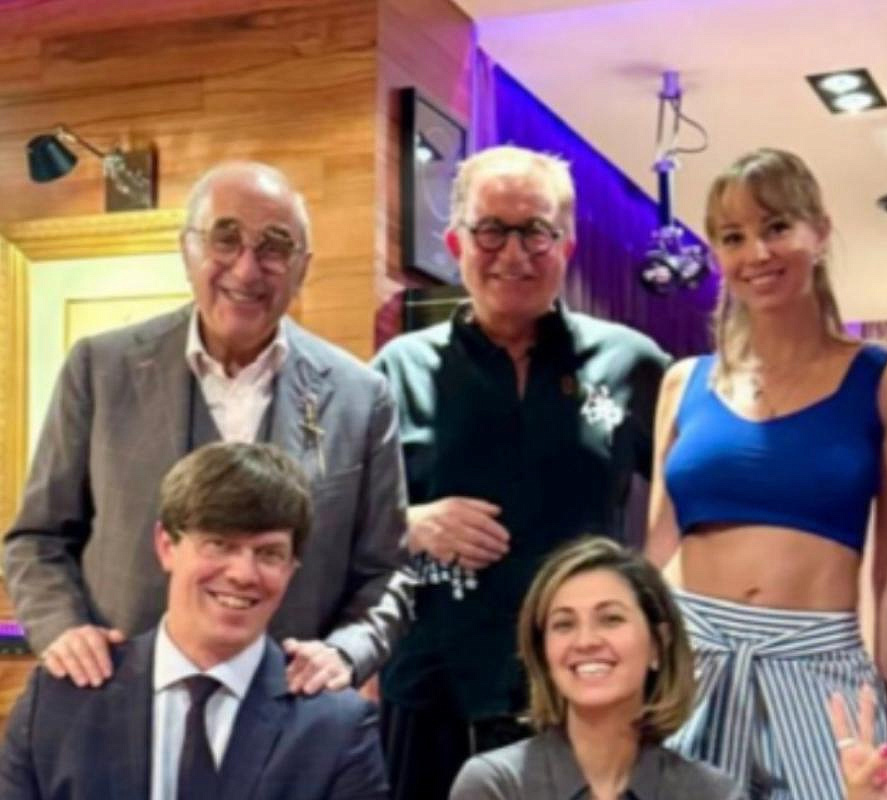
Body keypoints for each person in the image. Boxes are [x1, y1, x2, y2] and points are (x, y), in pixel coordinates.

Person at [3, 161, 413, 695]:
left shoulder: (362, 396)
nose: (246, 269)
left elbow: (388, 572)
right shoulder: (100, 370)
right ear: (187, 250)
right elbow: (37, 539)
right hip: (118, 696)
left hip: (288, 709)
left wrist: (345, 652)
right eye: (225, 239)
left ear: (302, 267)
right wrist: (63, 630)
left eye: (274, 246)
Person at [371, 144, 670, 799]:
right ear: (456, 242)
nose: (513, 253)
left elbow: (692, 505)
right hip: (435, 694)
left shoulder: (633, 364)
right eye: (491, 230)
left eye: (536, 231)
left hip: (582, 693)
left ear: (566, 246)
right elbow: (340, 522)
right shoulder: (395, 370)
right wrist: (409, 523)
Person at [645, 148, 887, 799]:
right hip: (692, 654)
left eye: (776, 227)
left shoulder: (886, 377)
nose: (757, 253)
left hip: (821, 664)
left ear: (819, 232)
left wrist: (880, 681)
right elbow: (656, 546)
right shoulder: (683, 382)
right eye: (733, 237)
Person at [0, 442, 389, 799]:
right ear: (166, 546)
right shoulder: (60, 700)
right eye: (219, 544)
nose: (243, 574)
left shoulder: (336, 727)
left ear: (291, 568)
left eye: (269, 553)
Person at [449, 536, 741, 800]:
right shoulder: (496, 785)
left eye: (611, 619)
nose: (586, 641)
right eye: (564, 624)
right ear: (544, 653)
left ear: (658, 644)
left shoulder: (711, 793)